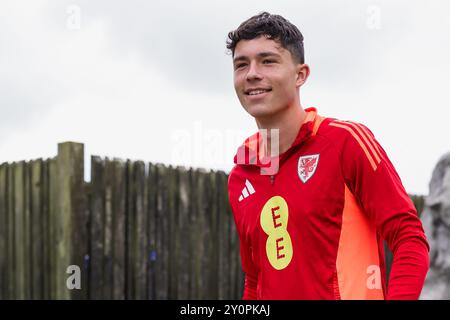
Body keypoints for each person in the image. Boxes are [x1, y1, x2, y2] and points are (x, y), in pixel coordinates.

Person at [226, 11, 429, 300]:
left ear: (300, 75)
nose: (252, 74)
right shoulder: (241, 175)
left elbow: (409, 238)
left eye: (268, 61)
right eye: (241, 65)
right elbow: (255, 279)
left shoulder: (345, 142)